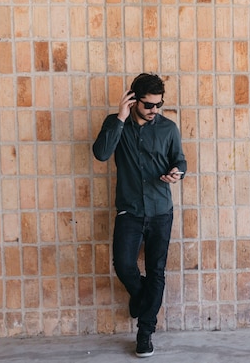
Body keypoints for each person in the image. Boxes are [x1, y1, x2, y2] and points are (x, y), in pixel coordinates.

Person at [92, 73, 187, 358]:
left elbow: (179, 159)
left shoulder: (168, 128)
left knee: (157, 271)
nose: (154, 110)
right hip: (130, 211)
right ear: (133, 100)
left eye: (158, 104)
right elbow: (100, 154)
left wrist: (177, 173)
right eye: (148, 105)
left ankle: (145, 333)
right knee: (123, 264)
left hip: (161, 211)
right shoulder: (115, 123)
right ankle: (143, 297)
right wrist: (120, 118)